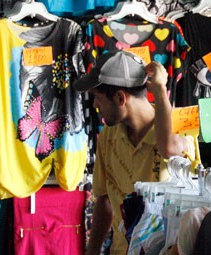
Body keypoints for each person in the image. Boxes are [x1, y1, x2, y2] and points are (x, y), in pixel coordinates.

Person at [73, 50, 195, 255]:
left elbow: (170, 150)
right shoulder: (107, 137)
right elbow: (104, 201)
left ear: (120, 98)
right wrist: (92, 251)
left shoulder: (179, 127)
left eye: (97, 98)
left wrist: (159, 89)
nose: (94, 105)